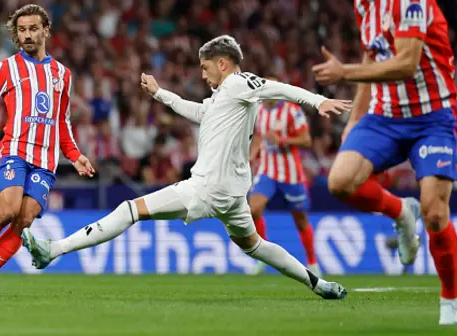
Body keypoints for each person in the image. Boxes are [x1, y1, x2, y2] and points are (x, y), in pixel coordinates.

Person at [22, 35, 351, 300]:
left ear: (223, 64)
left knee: (129, 209)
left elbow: (277, 88)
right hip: (233, 193)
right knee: (256, 246)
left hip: (208, 188)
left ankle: (54, 249)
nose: (202, 74)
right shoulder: (224, 97)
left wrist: (317, 101)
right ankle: (318, 284)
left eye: (206, 67)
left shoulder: (239, 84)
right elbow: (198, 112)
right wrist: (161, 94)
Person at [312, 0, 457, 325]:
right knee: (340, 181)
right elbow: (373, 57)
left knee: (435, 213)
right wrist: (356, 117)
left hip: (433, 116)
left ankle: (451, 303)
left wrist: (343, 75)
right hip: (384, 115)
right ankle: (400, 213)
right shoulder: (364, 0)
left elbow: (405, 63)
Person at [0, 4, 95, 295]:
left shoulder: (62, 74)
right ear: (16, 35)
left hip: (45, 162)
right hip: (13, 153)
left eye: (33, 29)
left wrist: (75, 155)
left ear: (46, 30)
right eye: (22, 30)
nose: (27, 35)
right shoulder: (8, 68)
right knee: (7, 210)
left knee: (25, 219)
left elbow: (62, 122)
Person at [248, 84, 318, 276]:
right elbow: (260, 137)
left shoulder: (292, 111)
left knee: (301, 220)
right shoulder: (260, 111)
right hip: (267, 171)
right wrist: (252, 155)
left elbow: (306, 140)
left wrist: (283, 140)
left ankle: (312, 262)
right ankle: (263, 257)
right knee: (253, 210)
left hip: (291, 173)